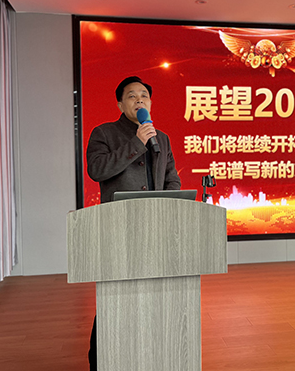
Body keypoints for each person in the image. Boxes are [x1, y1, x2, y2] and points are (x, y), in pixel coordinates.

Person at [85, 76, 181, 370]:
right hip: (119, 228)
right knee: (115, 299)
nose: (139, 100)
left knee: (154, 297)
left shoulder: (161, 137)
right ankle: (102, 361)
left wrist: (171, 207)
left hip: (156, 228)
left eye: (144, 95)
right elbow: (97, 170)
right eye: (131, 96)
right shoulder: (104, 133)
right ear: (120, 104)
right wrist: (136, 143)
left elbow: (171, 178)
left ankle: (147, 356)